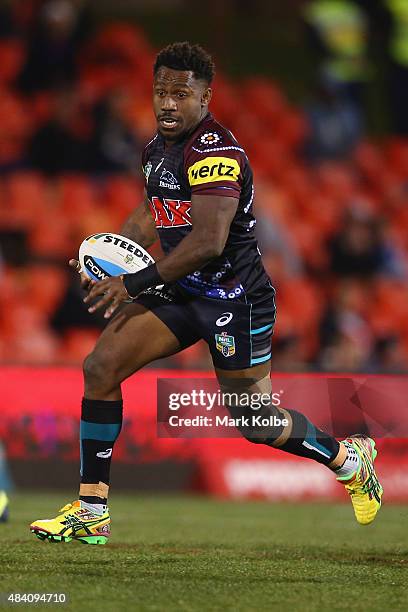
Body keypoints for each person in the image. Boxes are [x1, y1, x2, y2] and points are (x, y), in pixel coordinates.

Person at [30, 42, 383, 545]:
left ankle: (349, 460)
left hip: (232, 300)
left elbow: (207, 242)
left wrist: (130, 283)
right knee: (100, 366)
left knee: (255, 422)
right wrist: (103, 253)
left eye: (181, 93)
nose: (168, 103)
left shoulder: (215, 153)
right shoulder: (157, 148)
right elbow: (155, 211)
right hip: (179, 291)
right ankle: (91, 511)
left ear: (205, 96)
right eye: (160, 92)